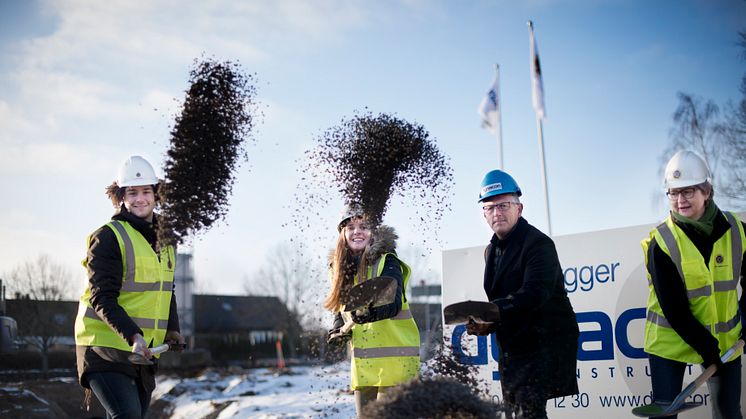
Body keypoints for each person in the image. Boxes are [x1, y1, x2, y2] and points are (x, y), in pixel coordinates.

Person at [74, 155, 185, 418]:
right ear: (121, 197)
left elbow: (165, 291)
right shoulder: (109, 237)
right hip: (105, 349)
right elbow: (102, 297)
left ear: (157, 194)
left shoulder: (168, 241)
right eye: (132, 193)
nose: (140, 199)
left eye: (146, 191)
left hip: (142, 355)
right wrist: (134, 336)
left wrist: (172, 329)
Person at [466, 169, 579, 419]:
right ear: (484, 214)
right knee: (513, 411)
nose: (497, 212)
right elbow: (506, 303)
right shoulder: (491, 251)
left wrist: (491, 313)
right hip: (514, 346)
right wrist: (488, 324)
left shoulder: (538, 244)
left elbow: (535, 293)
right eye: (490, 207)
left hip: (543, 343)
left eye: (504, 205)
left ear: (520, 208)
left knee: (529, 413)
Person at [642, 150, 744, 419]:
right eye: (673, 193)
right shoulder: (662, 242)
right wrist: (705, 348)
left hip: (725, 341)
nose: (679, 200)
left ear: (706, 191)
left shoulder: (737, 230)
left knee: (728, 413)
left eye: (687, 191)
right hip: (670, 341)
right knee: (665, 415)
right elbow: (674, 308)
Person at [324, 205, 420, 417]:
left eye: (364, 226)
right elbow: (340, 311)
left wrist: (368, 314)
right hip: (364, 369)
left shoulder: (387, 262)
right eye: (350, 226)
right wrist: (337, 330)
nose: (357, 231)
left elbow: (393, 304)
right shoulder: (339, 271)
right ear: (343, 233)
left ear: (374, 232)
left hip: (397, 366)